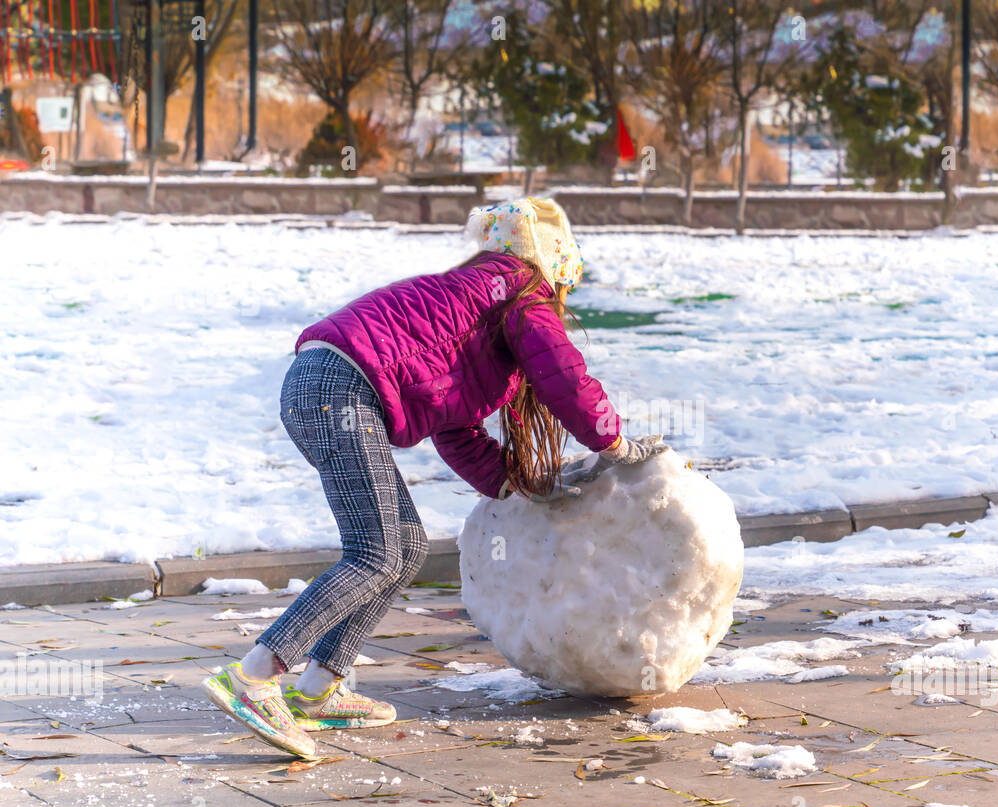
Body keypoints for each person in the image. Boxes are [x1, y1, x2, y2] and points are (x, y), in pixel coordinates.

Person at [202, 196, 666, 757]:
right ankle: (253, 677)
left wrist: (513, 488)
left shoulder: (473, 302)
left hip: (324, 386)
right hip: (342, 390)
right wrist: (612, 442)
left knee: (406, 547)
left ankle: (318, 689)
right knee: (374, 553)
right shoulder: (519, 293)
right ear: (551, 263)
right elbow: (563, 375)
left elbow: (456, 428)